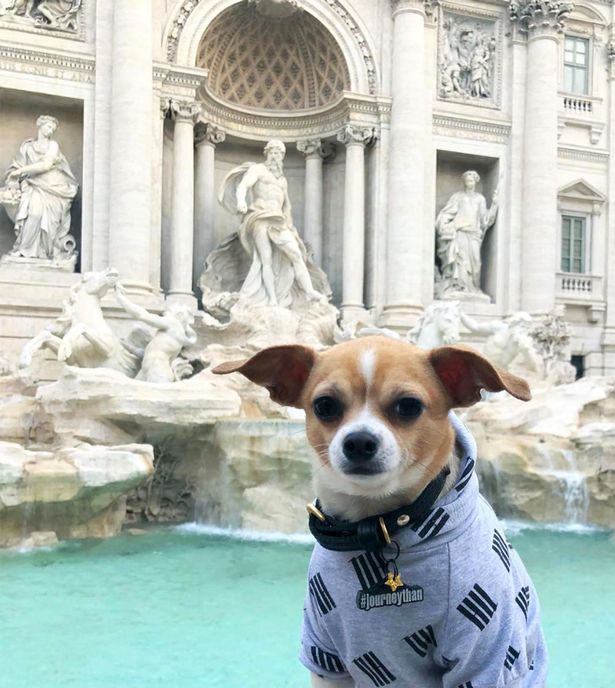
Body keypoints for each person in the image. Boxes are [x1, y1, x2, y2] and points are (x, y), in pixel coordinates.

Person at [219, 139, 323, 307]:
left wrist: (289, 224)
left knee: (296, 254)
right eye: (273, 153)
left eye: (279, 153)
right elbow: (243, 186)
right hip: (259, 216)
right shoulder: (258, 169)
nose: (275, 157)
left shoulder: (282, 180)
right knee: (264, 259)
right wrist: (241, 201)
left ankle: (309, 291)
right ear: (267, 154)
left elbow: (286, 205)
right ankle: (272, 299)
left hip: (279, 220)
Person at [3, 115, 78, 261]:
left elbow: (46, 165)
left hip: (53, 188)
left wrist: (22, 171)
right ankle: (24, 250)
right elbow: (16, 166)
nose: (50, 130)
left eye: (53, 128)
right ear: (40, 126)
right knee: (34, 214)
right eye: (48, 126)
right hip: (33, 186)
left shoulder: (53, 145)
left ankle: (44, 253)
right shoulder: (28, 147)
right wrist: (15, 176)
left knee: (48, 222)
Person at [114, 285, 198, 383]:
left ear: (179, 315)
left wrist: (120, 298)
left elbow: (142, 315)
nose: (166, 313)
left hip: (157, 370)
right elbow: (150, 352)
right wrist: (128, 346)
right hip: (148, 370)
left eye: (170, 311)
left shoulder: (173, 324)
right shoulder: (171, 333)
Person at [435, 170, 498, 295]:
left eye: (471, 181)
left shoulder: (480, 199)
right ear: (464, 182)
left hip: (474, 234)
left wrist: (495, 204)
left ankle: (474, 288)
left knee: (476, 262)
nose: (469, 183)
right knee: (461, 261)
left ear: (475, 182)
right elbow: (446, 213)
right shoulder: (458, 197)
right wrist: (445, 225)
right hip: (460, 232)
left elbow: (485, 220)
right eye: (467, 181)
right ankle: (460, 287)